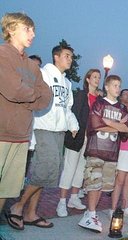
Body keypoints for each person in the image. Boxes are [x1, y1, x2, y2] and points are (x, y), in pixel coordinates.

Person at [7, 43, 78, 229]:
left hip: (59, 131)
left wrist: (73, 124)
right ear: (56, 56)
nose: (70, 59)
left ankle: (31, 213)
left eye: (71, 56)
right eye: (67, 55)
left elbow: (67, 108)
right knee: (45, 169)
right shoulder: (43, 74)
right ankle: (18, 206)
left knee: (47, 173)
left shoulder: (68, 83)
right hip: (43, 127)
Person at [0, 12, 52, 229]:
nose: (33, 34)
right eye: (27, 29)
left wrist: (28, 97)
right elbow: (12, 90)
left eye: (33, 30)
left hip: (22, 136)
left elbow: (47, 96)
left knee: (6, 188)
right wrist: (32, 96)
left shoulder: (32, 66)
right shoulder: (2, 55)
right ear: (11, 29)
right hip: (1, 133)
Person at [78, 75, 128, 233]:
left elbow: (127, 129)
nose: (117, 88)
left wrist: (107, 122)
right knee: (93, 184)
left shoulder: (122, 108)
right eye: (114, 85)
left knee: (102, 186)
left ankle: (89, 213)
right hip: (96, 149)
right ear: (106, 87)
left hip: (112, 153)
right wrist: (117, 125)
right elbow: (95, 125)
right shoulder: (99, 103)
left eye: (119, 85)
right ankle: (91, 214)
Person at [56, 69, 102, 217]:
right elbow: (73, 113)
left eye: (99, 77)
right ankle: (62, 202)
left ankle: (74, 198)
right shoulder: (81, 95)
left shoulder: (100, 99)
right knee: (70, 167)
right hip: (77, 136)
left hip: (91, 139)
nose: (97, 79)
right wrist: (74, 129)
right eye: (94, 77)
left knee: (81, 169)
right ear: (87, 79)